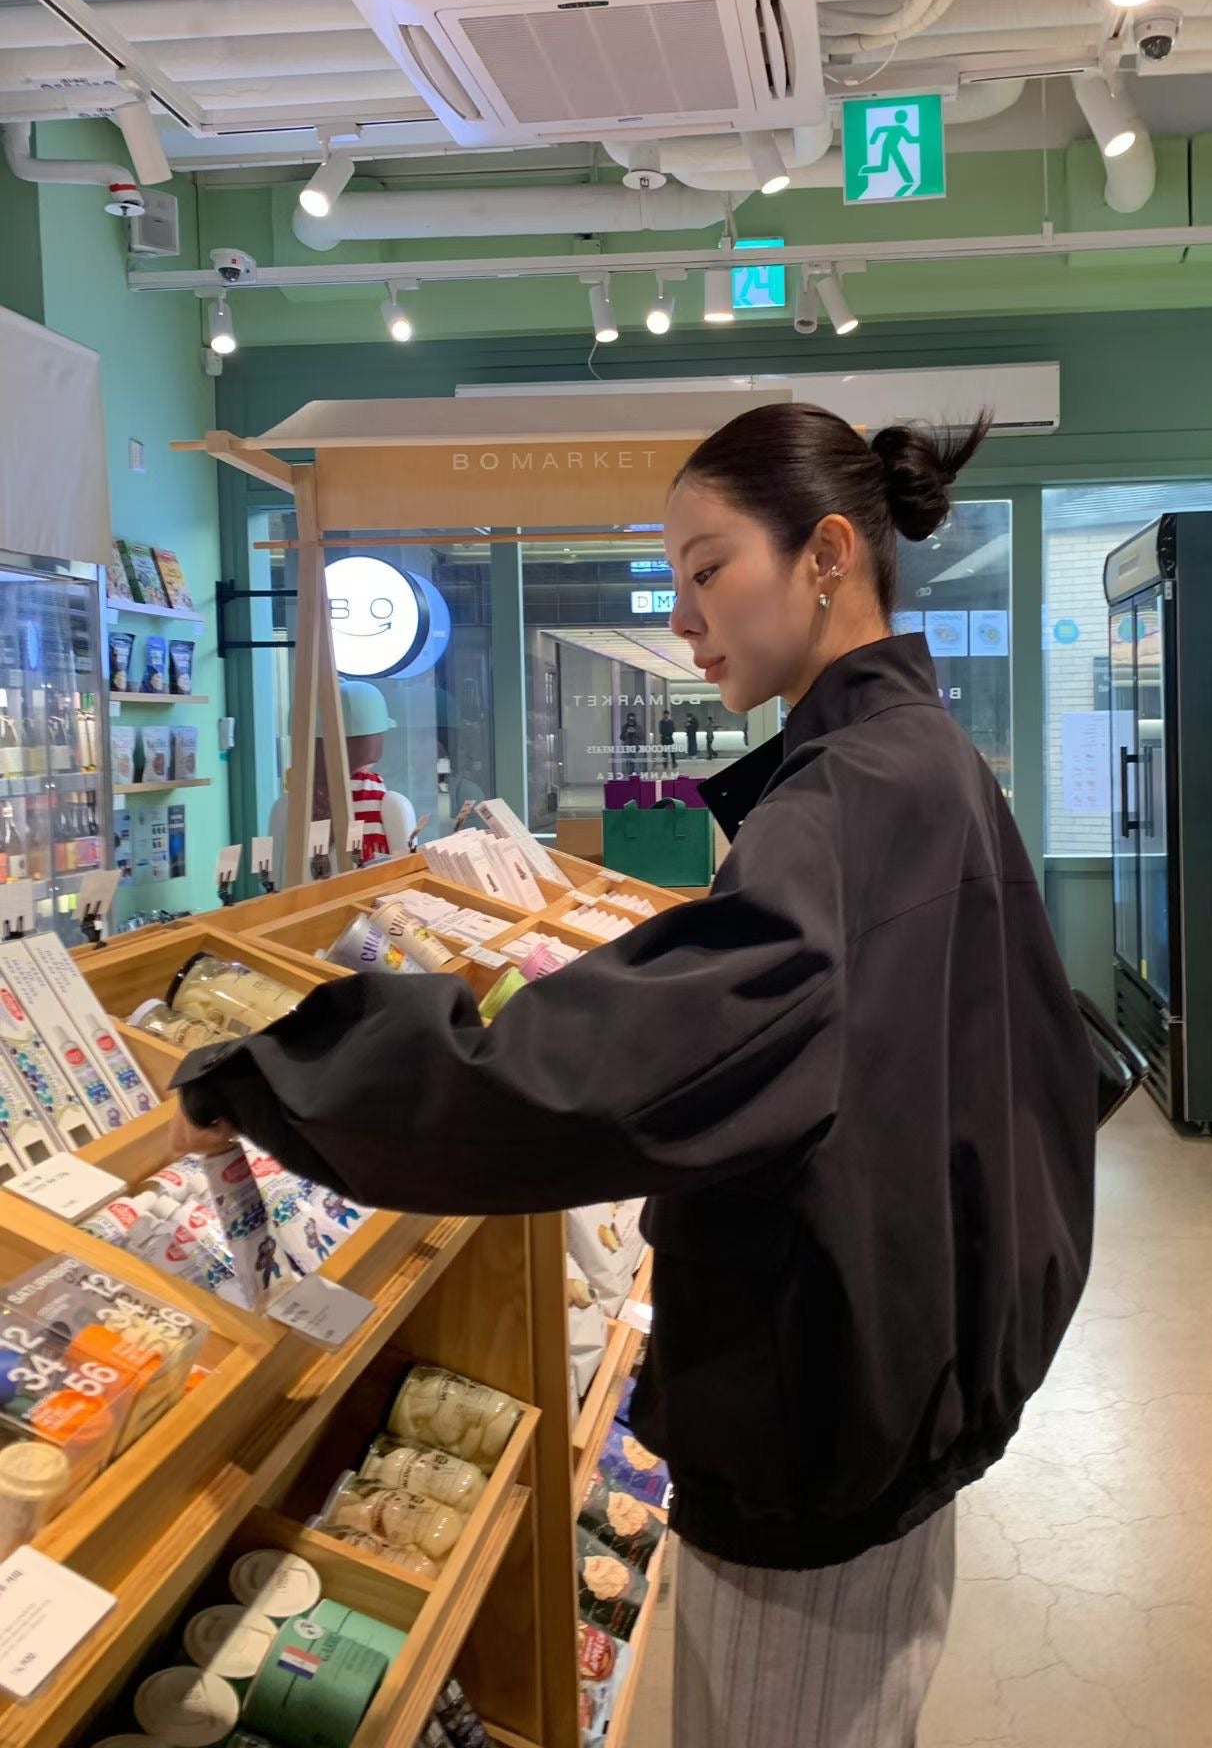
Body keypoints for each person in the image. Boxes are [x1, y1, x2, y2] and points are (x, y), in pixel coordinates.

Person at [173, 402, 1098, 1748]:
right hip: (895, 1392)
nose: (682, 614)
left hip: (819, 1428)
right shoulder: (922, 761)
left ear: (827, 555)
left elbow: (593, 1077)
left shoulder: (846, 798)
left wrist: (279, 1074)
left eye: (708, 567)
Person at [266, 680, 416, 884]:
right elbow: (407, 877)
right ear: (374, 742)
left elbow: (273, 881)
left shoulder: (285, 807)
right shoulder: (392, 805)